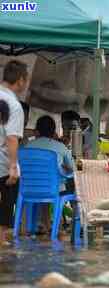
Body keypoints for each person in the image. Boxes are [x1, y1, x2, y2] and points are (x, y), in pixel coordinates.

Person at [0, 60, 27, 245]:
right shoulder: (13, 105)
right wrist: (13, 166)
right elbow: (11, 138)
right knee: (3, 215)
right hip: (1, 166)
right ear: (20, 80)